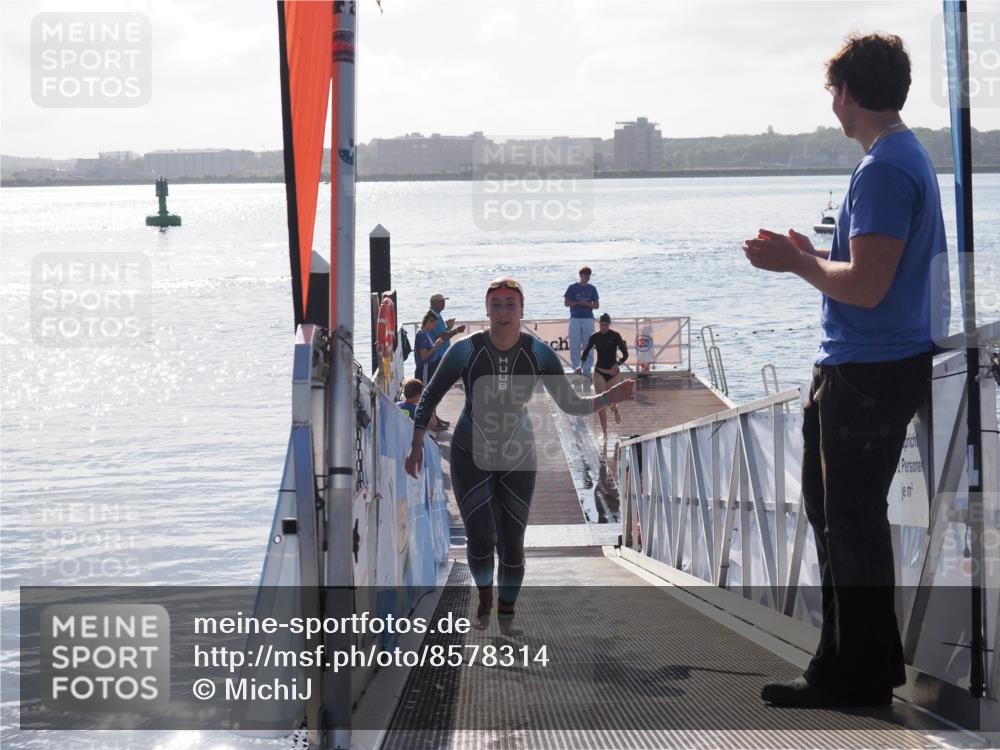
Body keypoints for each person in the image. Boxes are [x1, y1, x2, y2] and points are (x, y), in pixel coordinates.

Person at [743, 33, 946, 708]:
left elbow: (866, 287)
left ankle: (856, 676)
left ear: (850, 92)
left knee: (851, 524)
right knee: (839, 519)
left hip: (869, 371)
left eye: (832, 90)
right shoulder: (898, 159)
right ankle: (847, 664)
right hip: (866, 366)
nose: (832, 102)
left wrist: (795, 263)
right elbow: (869, 273)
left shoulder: (885, 168)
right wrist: (813, 252)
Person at [404, 277, 635, 633]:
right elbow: (430, 396)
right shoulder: (465, 350)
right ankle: (484, 596)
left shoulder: (538, 352)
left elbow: (570, 403)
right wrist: (417, 444)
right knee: (481, 537)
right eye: (496, 304)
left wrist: (609, 397)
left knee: (512, 542)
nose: (503, 311)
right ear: (487, 309)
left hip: (519, 455)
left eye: (510, 304)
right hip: (471, 452)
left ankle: (506, 615)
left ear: (522, 309)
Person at [577, 313, 629, 436]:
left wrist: (618, 363)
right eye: (601, 324)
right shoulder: (594, 337)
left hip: (613, 373)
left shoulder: (615, 336)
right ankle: (605, 433)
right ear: (599, 324)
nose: (604, 327)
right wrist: (581, 365)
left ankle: (615, 410)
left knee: (610, 402)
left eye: (606, 324)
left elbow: (626, 354)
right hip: (599, 371)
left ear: (609, 324)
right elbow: (586, 352)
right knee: (601, 402)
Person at [564, 266, 599, 377]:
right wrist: (578, 303)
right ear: (580, 275)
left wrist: (588, 304)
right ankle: (576, 370)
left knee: (588, 345)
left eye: (588, 275)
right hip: (575, 318)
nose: (586, 277)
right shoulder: (572, 287)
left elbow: (597, 305)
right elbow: (566, 303)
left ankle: (587, 371)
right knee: (574, 345)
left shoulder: (592, 288)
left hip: (588, 318)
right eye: (584, 275)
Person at [428, 293, 466, 357]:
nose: (443, 303)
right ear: (434, 303)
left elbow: (440, 334)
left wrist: (448, 328)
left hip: (440, 354)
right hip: (436, 356)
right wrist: (456, 330)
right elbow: (441, 337)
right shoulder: (433, 316)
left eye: (444, 301)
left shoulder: (436, 314)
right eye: (441, 301)